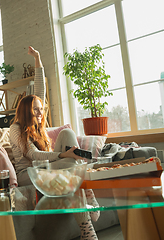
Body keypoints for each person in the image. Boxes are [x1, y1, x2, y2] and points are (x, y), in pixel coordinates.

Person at [9, 46, 99, 239]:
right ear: (26, 110)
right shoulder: (16, 129)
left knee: (66, 133)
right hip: (28, 173)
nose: (40, 112)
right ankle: (87, 225)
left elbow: (39, 89)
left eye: (41, 108)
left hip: (48, 166)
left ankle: (86, 226)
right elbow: (32, 155)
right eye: (35, 109)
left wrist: (38, 58)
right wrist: (64, 154)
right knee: (70, 164)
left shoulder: (39, 124)